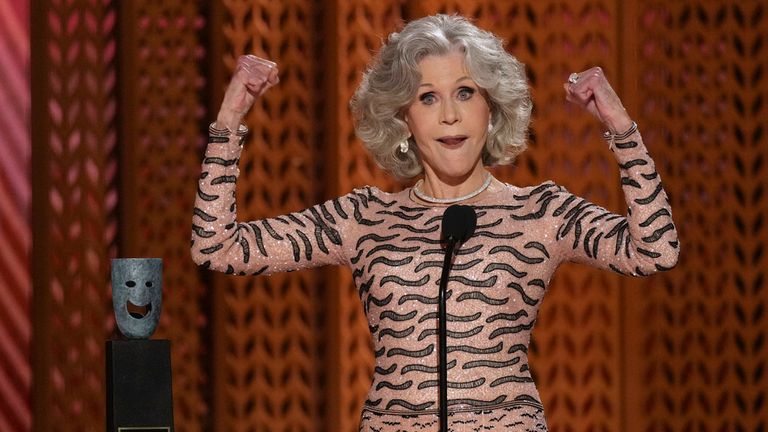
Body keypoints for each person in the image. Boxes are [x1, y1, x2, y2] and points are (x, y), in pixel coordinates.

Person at [191, 14, 679, 431]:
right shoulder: (366, 219)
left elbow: (655, 249)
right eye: (427, 98)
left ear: (491, 111)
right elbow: (216, 246)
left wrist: (619, 128)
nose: (449, 115)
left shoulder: (540, 213)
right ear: (403, 119)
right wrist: (230, 120)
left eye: (465, 92)